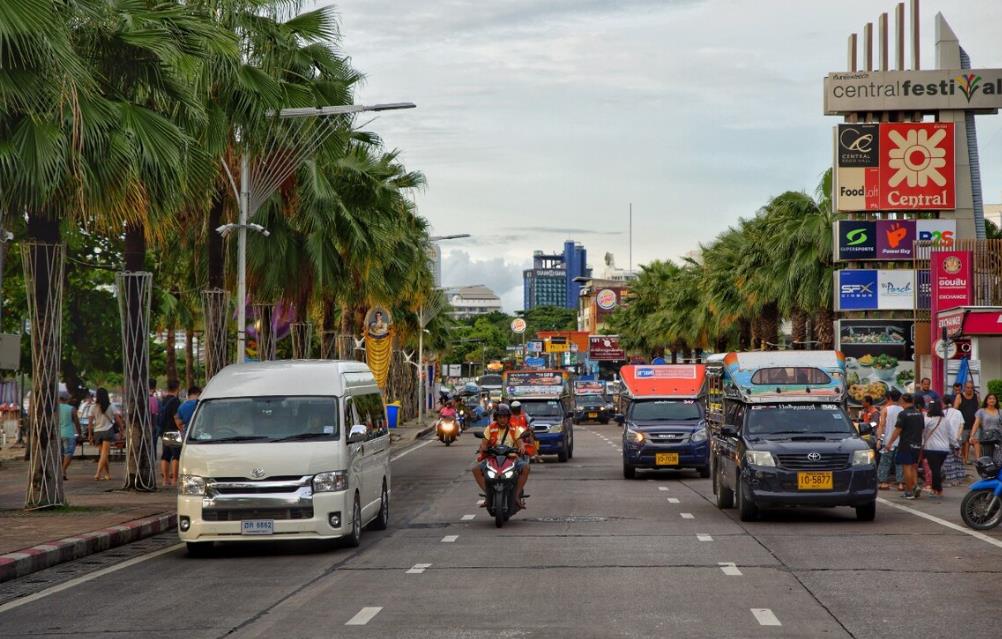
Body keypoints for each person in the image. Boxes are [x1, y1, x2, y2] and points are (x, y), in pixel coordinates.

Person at [473, 404, 529, 508]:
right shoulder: (490, 428)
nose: (502, 419)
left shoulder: (514, 428)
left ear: (508, 417)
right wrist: (483, 447)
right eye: (500, 417)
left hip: (511, 457)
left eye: (504, 417)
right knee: (475, 469)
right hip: (493, 458)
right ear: (496, 418)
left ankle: (516, 495)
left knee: (525, 467)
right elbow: (484, 443)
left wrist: (522, 447)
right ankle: (488, 495)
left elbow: (520, 442)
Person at [884, 393, 925, 499]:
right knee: (913, 467)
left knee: (906, 468)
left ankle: (909, 491)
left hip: (906, 444)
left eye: (901, 400)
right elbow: (922, 430)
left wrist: (889, 443)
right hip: (917, 444)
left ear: (903, 401)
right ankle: (915, 486)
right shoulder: (919, 414)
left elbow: (898, 430)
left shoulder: (903, 414)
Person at [921, 399, 960, 498]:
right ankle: (936, 489)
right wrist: (956, 445)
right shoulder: (946, 420)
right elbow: (951, 435)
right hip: (944, 449)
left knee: (935, 469)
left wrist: (921, 444)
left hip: (931, 448)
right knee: (937, 468)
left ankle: (938, 489)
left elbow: (922, 434)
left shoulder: (927, 420)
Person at [876, 389, 904, 490]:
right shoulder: (903, 410)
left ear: (890, 397)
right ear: (900, 398)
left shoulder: (885, 410)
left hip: (888, 441)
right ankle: (901, 484)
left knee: (885, 462)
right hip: (901, 441)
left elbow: (881, 426)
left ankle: (883, 482)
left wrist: (879, 439)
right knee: (900, 463)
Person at [940, 394, 969, 485]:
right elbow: (961, 425)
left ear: (943, 402)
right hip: (957, 439)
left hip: (946, 439)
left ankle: (950, 479)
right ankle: (959, 478)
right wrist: (957, 436)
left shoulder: (942, 413)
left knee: (948, 460)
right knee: (958, 459)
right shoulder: (958, 412)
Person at [88, 388, 116, 481]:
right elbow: (118, 419)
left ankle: (107, 474)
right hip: (108, 431)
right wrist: (122, 429)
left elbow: (90, 423)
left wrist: (90, 434)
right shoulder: (111, 406)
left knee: (103, 454)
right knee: (104, 454)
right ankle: (98, 473)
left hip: (97, 432)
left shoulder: (93, 407)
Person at [159, 380, 182, 487]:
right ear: (177, 388)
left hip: (164, 430)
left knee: (165, 455)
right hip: (173, 430)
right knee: (176, 456)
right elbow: (176, 417)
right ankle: (175, 480)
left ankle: (165, 479)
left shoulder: (163, 400)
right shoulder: (175, 401)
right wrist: (181, 428)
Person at [969, 393, 1002, 462]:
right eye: (990, 398)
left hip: (999, 438)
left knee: (998, 459)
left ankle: (997, 472)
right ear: (986, 401)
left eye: (993, 399)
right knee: (987, 459)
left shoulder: (1000, 411)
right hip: (987, 439)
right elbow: (976, 424)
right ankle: (988, 472)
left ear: (996, 401)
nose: (992, 400)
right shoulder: (981, 411)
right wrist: (972, 436)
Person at [954, 380, 980, 463]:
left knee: (974, 441)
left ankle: (976, 459)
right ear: (964, 388)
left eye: (971, 388)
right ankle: (964, 459)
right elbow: (955, 410)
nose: (969, 389)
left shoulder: (976, 396)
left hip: (974, 423)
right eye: (968, 387)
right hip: (963, 424)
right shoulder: (959, 396)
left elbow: (979, 409)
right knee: (964, 442)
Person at [59, 391, 81, 480]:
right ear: (67, 399)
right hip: (69, 434)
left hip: (57, 434)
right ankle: (63, 471)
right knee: (69, 453)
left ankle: (61, 472)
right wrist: (79, 433)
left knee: (60, 454)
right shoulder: (72, 409)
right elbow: (76, 422)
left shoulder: (54, 409)